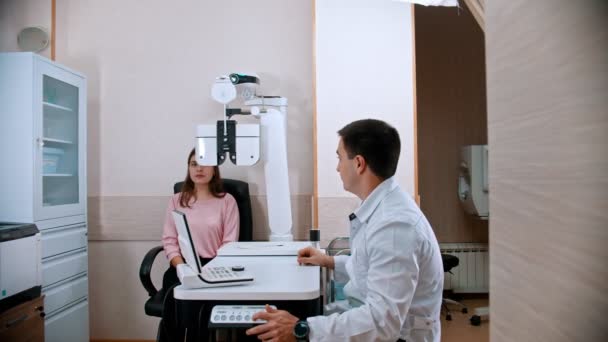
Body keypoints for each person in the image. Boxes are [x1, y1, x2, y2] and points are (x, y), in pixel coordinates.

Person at [246, 119, 444, 342]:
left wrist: (302, 329)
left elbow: (382, 323)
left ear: (359, 163)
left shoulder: (394, 226)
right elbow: (369, 268)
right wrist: (328, 261)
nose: (338, 167)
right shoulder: (382, 207)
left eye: (340, 158)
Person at [161, 148, 240, 286]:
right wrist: (181, 267)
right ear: (189, 168)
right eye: (194, 164)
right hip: (183, 266)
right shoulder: (176, 200)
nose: (199, 168)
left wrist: (208, 271)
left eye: (205, 163)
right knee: (177, 299)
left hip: (215, 267)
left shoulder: (227, 201)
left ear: (214, 169)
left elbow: (229, 243)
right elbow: (169, 241)